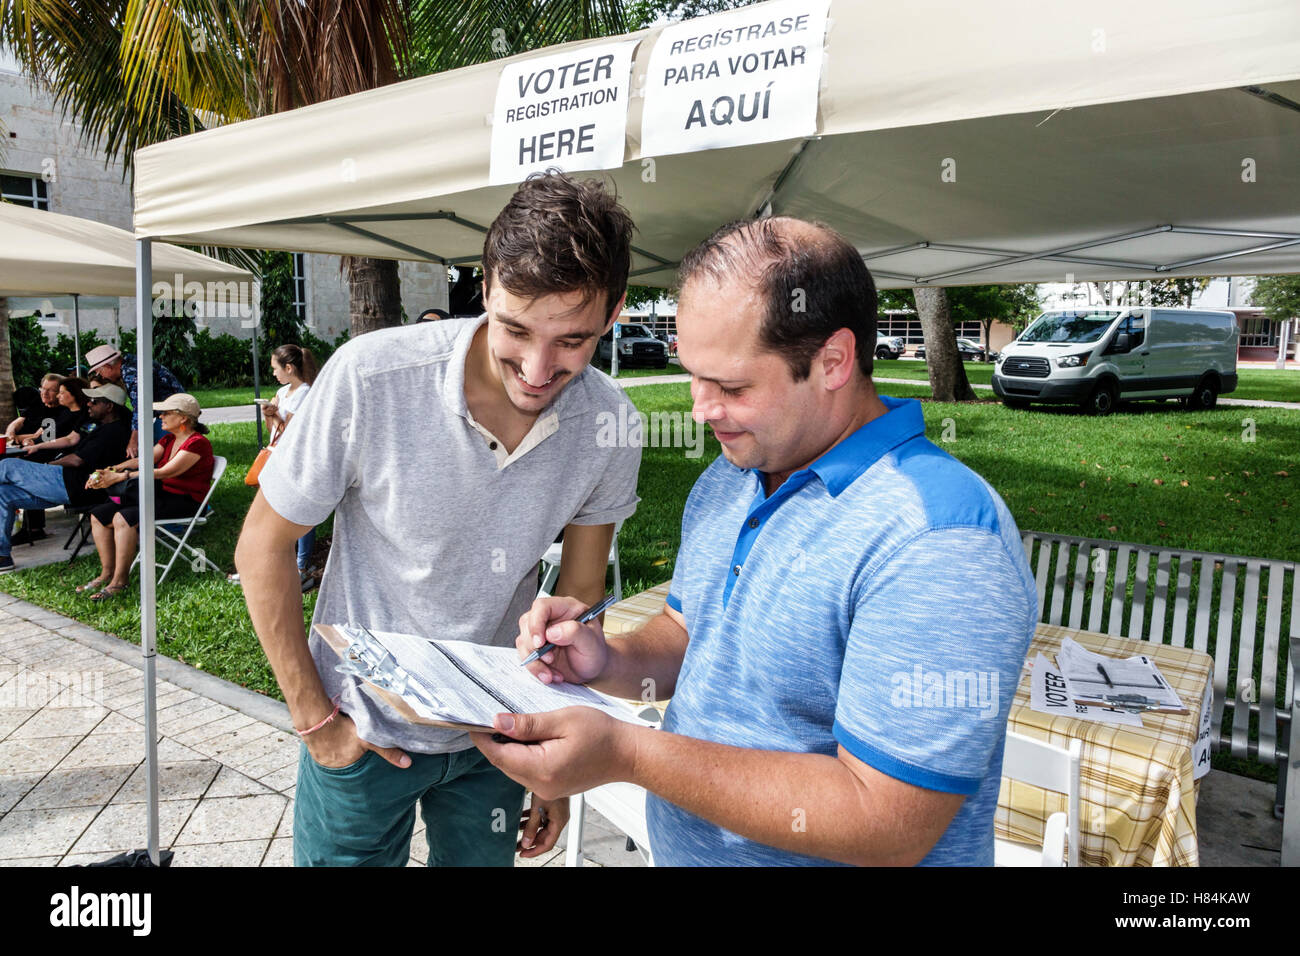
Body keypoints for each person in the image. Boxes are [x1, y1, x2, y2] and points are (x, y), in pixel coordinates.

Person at [472, 217, 1039, 866]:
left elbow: (887, 821)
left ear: (832, 361)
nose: (699, 410)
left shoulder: (938, 538)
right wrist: (608, 660)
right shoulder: (732, 475)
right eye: (694, 376)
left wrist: (628, 753)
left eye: (731, 387)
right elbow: (690, 638)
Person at [234, 171, 643, 868]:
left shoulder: (611, 423)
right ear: (483, 288)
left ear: (615, 313)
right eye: (516, 329)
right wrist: (315, 721)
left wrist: (556, 752)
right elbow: (261, 547)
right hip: (361, 729)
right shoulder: (371, 377)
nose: (539, 369)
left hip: (500, 736)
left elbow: (578, 604)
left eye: (572, 340)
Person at [79, 394, 215, 600]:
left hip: (186, 502)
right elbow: (142, 461)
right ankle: (106, 573)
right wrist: (110, 469)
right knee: (98, 515)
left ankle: (119, 581)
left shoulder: (197, 443)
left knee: (122, 517)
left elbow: (165, 472)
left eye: (166, 413)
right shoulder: (169, 438)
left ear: (183, 419)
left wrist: (120, 477)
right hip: (162, 494)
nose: (160, 417)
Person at [0, 384, 131, 573]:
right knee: (3, 493)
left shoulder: (113, 432)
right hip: (67, 484)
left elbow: (77, 461)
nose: (89, 405)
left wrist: (44, 468)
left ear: (109, 407)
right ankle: (3, 557)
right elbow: (71, 440)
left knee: (7, 466)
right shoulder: (99, 424)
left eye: (94, 402)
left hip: (77, 486)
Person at [261, 344, 319, 581]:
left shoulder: (304, 392)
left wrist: (273, 414)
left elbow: (290, 431)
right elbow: (273, 431)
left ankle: (301, 563)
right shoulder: (282, 393)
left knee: (301, 508)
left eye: (276, 368)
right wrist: (269, 415)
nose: (273, 373)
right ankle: (285, 558)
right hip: (279, 456)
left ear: (289, 367)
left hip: (297, 458)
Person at [84, 344, 186, 459]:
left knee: (160, 457)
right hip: (171, 412)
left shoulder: (131, 373)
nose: (101, 376)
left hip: (173, 414)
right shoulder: (130, 363)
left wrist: (133, 441)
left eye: (99, 372)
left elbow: (141, 409)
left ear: (108, 366)